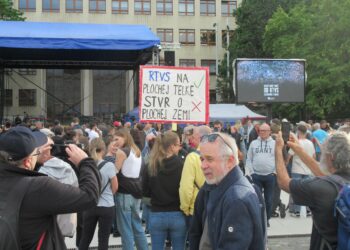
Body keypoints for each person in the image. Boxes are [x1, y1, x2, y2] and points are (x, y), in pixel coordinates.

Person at [0, 126, 100, 249]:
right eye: (36, 153)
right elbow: (89, 196)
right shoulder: (38, 187)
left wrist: (36, 158)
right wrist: (85, 162)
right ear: (27, 162)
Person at [275, 131, 350, 249]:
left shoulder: (319, 187)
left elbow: (283, 182)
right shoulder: (336, 183)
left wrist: (278, 149)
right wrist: (299, 150)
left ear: (331, 157)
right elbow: (324, 175)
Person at [189, 132, 265, 249]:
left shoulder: (237, 199)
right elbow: (195, 233)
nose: (203, 165)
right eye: (202, 159)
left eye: (209, 159)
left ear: (230, 161)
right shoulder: (209, 188)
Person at [142, 131, 186, 250]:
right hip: (178, 213)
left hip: (157, 213)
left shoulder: (151, 165)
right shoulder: (182, 164)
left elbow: (144, 190)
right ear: (172, 146)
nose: (179, 148)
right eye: (178, 145)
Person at [79, 138, 118, 250]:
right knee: (103, 240)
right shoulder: (109, 165)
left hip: (89, 205)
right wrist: (108, 194)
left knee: (85, 238)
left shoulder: (86, 165)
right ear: (103, 150)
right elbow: (115, 186)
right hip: (107, 206)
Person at [37, 136, 79, 238]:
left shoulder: (37, 170)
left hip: (43, 225)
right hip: (63, 222)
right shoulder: (67, 167)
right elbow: (76, 192)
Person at [114, 129, 148, 250]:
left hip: (124, 193)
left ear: (125, 137)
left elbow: (114, 172)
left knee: (125, 229)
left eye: (117, 139)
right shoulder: (136, 151)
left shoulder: (122, 152)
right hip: (136, 192)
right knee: (137, 227)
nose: (114, 142)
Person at [179, 126, 211, 227]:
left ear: (200, 138)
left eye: (193, 137)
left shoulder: (192, 157)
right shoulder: (218, 155)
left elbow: (186, 187)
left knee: (195, 241)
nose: (191, 139)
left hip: (196, 207)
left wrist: (185, 208)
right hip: (214, 205)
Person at [245, 123, 276, 226]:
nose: (262, 132)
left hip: (270, 176)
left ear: (269, 132)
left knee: (269, 200)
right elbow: (249, 158)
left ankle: (267, 219)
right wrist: (251, 172)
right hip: (256, 175)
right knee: (257, 199)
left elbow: (278, 159)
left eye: (264, 131)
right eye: (260, 130)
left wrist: (274, 172)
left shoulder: (274, 143)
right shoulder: (254, 143)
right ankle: (258, 218)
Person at [286, 124, 316, 216]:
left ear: (298, 132)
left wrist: (286, 163)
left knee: (296, 190)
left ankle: (296, 210)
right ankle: (308, 210)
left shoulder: (297, 143)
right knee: (307, 190)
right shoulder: (310, 143)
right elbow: (314, 156)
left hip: (297, 169)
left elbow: (290, 155)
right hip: (307, 169)